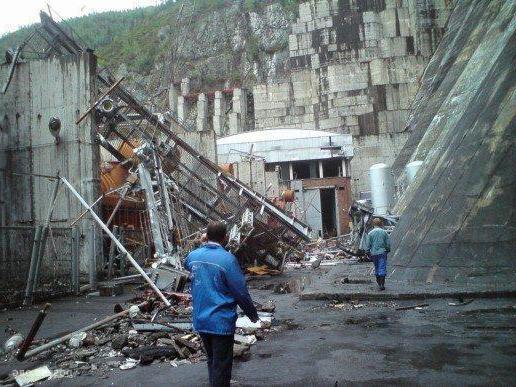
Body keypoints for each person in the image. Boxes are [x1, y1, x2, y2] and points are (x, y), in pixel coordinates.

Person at [184, 221, 259, 387]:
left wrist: (203, 244)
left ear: (206, 236)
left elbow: (186, 264)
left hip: (201, 320)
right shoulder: (227, 259)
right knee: (221, 366)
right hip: (220, 321)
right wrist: (252, 315)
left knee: (212, 362)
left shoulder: (194, 256)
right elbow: (240, 291)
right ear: (225, 238)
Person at [366, 218, 391, 290]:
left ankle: (378, 282)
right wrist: (388, 250)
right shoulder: (384, 232)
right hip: (382, 252)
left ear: (373, 224)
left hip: (373, 253)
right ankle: (382, 284)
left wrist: (367, 252)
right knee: (382, 267)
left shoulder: (370, 233)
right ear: (380, 224)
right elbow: (387, 244)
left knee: (376, 267)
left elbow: (368, 244)